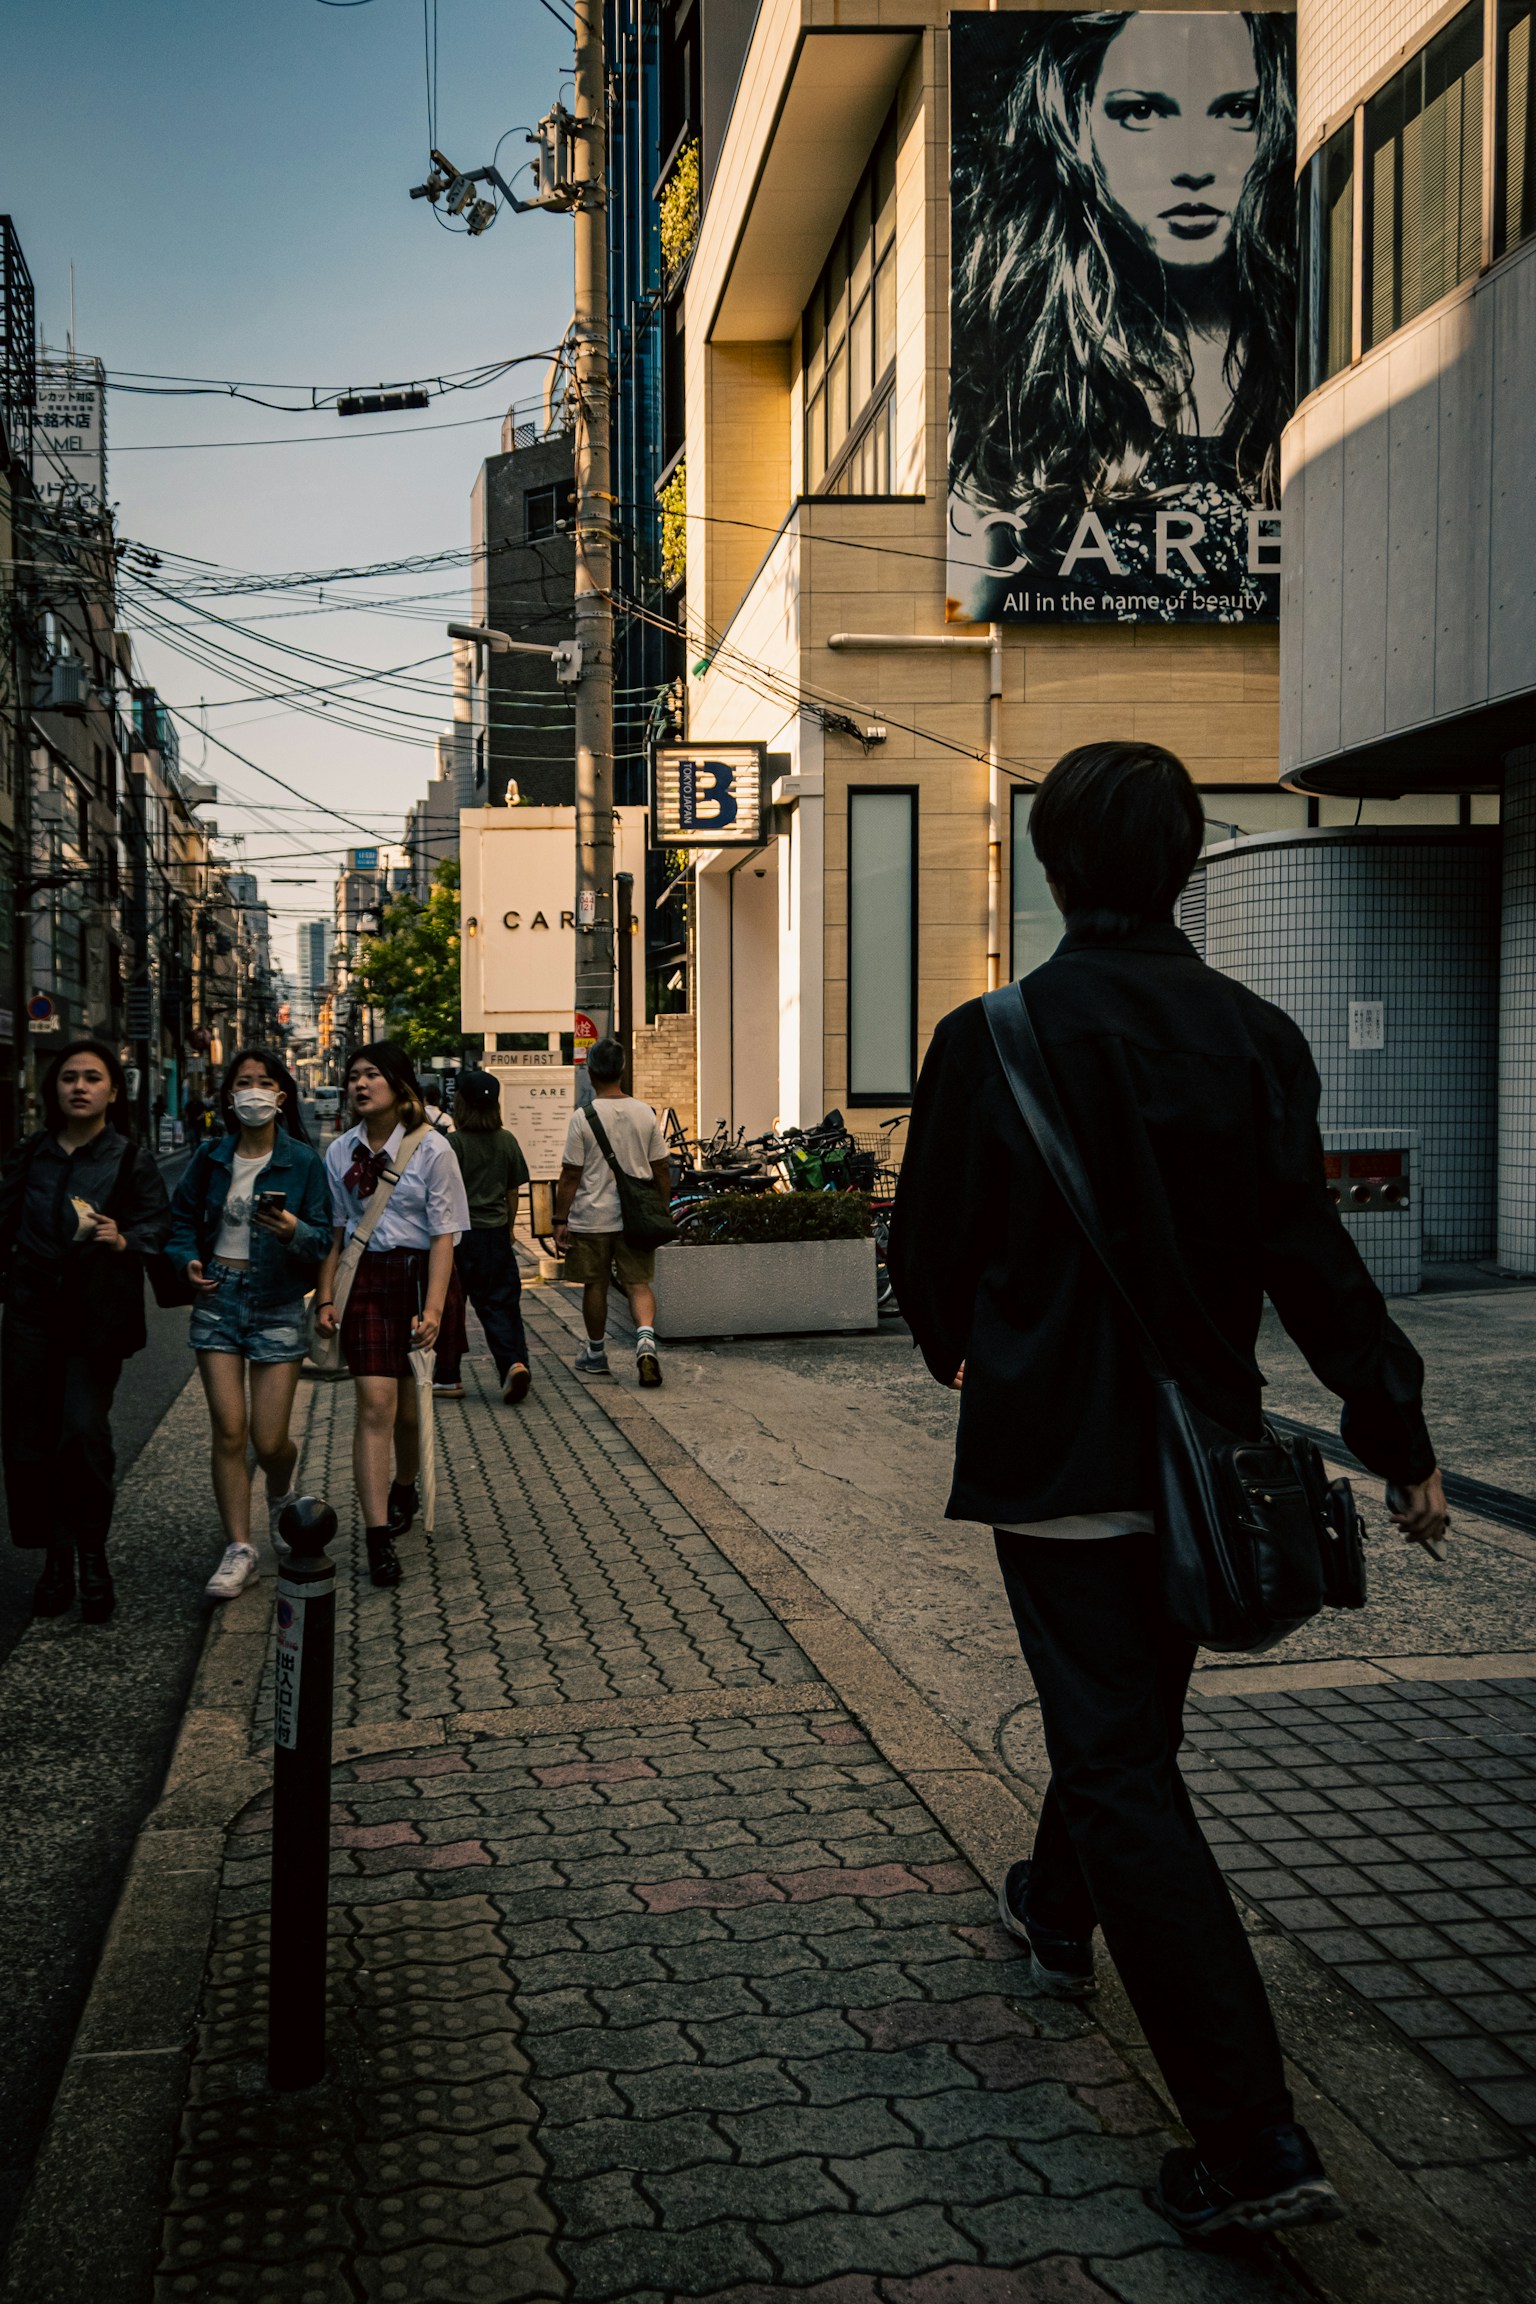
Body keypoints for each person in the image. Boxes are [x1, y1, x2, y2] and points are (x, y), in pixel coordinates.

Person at [889, 741, 1448, 2239]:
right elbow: (1309, 1258)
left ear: (1053, 864)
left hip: (1057, 1458)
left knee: (1120, 1757)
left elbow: (926, 1250)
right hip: (1209, 1469)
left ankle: (1252, 2143)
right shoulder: (1256, 1037)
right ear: (1189, 861)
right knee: (1126, 1726)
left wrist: (962, 1347)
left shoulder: (988, 1036)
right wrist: (1396, 1434)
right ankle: (1053, 1909)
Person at [948, 10, 1294, 620]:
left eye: (1237, 111)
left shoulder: (1323, 350)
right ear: (1076, 126)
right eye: (1141, 112)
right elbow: (960, 622)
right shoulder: (1018, 391)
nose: (1194, 166)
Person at [0, 1040, 171, 1622]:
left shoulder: (129, 1158)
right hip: (30, 1314)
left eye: (92, 1078)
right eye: (69, 1077)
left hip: (95, 1317)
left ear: (113, 1091)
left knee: (82, 1433)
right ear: (54, 1088)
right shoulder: (31, 1154)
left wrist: (124, 1238)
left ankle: (92, 1557)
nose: (79, 1086)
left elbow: (158, 1226)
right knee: (32, 1440)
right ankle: (55, 1560)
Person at [165, 1047, 332, 1602]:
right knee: (230, 1431)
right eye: (243, 1082)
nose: (252, 1091)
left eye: (262, 1082)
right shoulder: (210, 1157)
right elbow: (180, 1220)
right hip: (218, 1297)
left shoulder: (303, 1162)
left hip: (277, 1302)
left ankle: (281, 1492)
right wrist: (187, 1259)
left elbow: (323, 1238)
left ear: (280, 1097)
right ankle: (240, 1547)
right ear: (230, 1096)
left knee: (270, 1440)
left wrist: (291, 1230)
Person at [314, 1042, 469, 1588]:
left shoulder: (434, 1150)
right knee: (376, 1405)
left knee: (408, 1412)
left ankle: (405, 1485)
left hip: (422, 1279)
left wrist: (433, 1309)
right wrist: (326, 1297)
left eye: (371, 1074)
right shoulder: (339, 1152)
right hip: (367, 1282)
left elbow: (445, 1236)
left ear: (398, 1084)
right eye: (353, 1075)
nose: (359, 1084)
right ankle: (377, 1537)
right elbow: (335, 1235)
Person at [553, 1039, 668, 1386]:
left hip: (592, 1217)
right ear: (622, 1069)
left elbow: (571, 1174)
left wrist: (560, 1219)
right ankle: (645, 1342)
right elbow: (661, 1167)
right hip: (635, 1219)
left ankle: (596, 1353)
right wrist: (661, 1207)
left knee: (596, 1285)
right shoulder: (645, 1113)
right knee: (638, 1284)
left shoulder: (582, 1118)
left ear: (591, 1072)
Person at [430, 1069, 533, 1403]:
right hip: (495, 1236)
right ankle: (513, 1364)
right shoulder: (507, 1140)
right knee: (501, 1304)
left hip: (458, 1238)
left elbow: (442, 1193)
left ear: (461, 1104)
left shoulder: (453, 1144)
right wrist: (509, 1228)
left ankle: (448, 1377)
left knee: (451, 1306)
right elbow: (512, 1191)